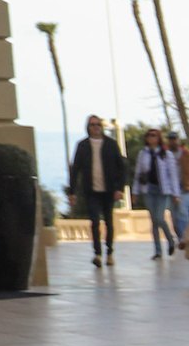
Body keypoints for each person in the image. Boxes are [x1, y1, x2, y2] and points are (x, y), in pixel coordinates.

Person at [67, 114, 128, 267]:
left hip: (108, 190)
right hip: (91, 190)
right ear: (88, 127)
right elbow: (76, 170)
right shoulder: (82, 145)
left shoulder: (111, 144)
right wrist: (72, 192)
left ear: (101, 127)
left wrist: (119, 188)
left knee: (109, 222)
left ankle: (110, 253)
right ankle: (97, 254)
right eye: (92, 125)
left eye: (98, 125)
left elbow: (121, 168)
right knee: (94, 222)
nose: (95, 127)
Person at [132, 129, 181, 259]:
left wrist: (176, 194)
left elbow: (173, 175)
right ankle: (158, 250)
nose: (150, 138)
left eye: (153, 135)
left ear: (158, 138)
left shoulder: (166, 154)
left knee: (159, 218)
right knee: (154, 220)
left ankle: (170, 239)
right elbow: (138, 174)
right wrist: (135, 192)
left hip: (162, 190)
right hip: (148, 190)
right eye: (148, 135)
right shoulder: (143, 154)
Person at [175, 136, 189, 241]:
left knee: (183, 212)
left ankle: (187, 237)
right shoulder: (165, 154)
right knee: (175, 215)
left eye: (175, 138)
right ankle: (181, 237)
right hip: (171, 188)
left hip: (185, 187)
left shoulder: (187, 155)